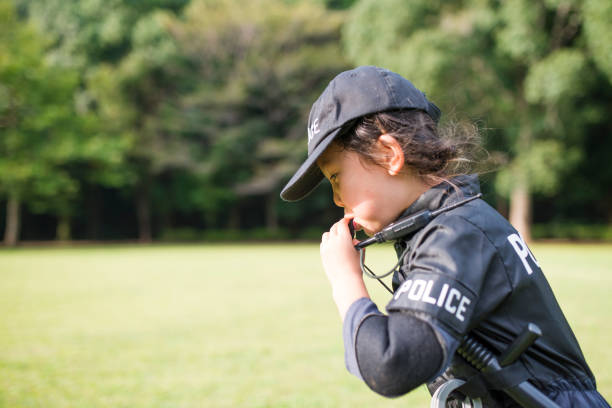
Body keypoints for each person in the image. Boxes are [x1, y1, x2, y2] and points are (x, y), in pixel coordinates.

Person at [279, 66, 610, 407]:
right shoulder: (449, 223)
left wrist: (345, 279)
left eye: (336, 177)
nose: (336, 199)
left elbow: (391, 365)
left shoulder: (456, 233)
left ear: (389, 154)